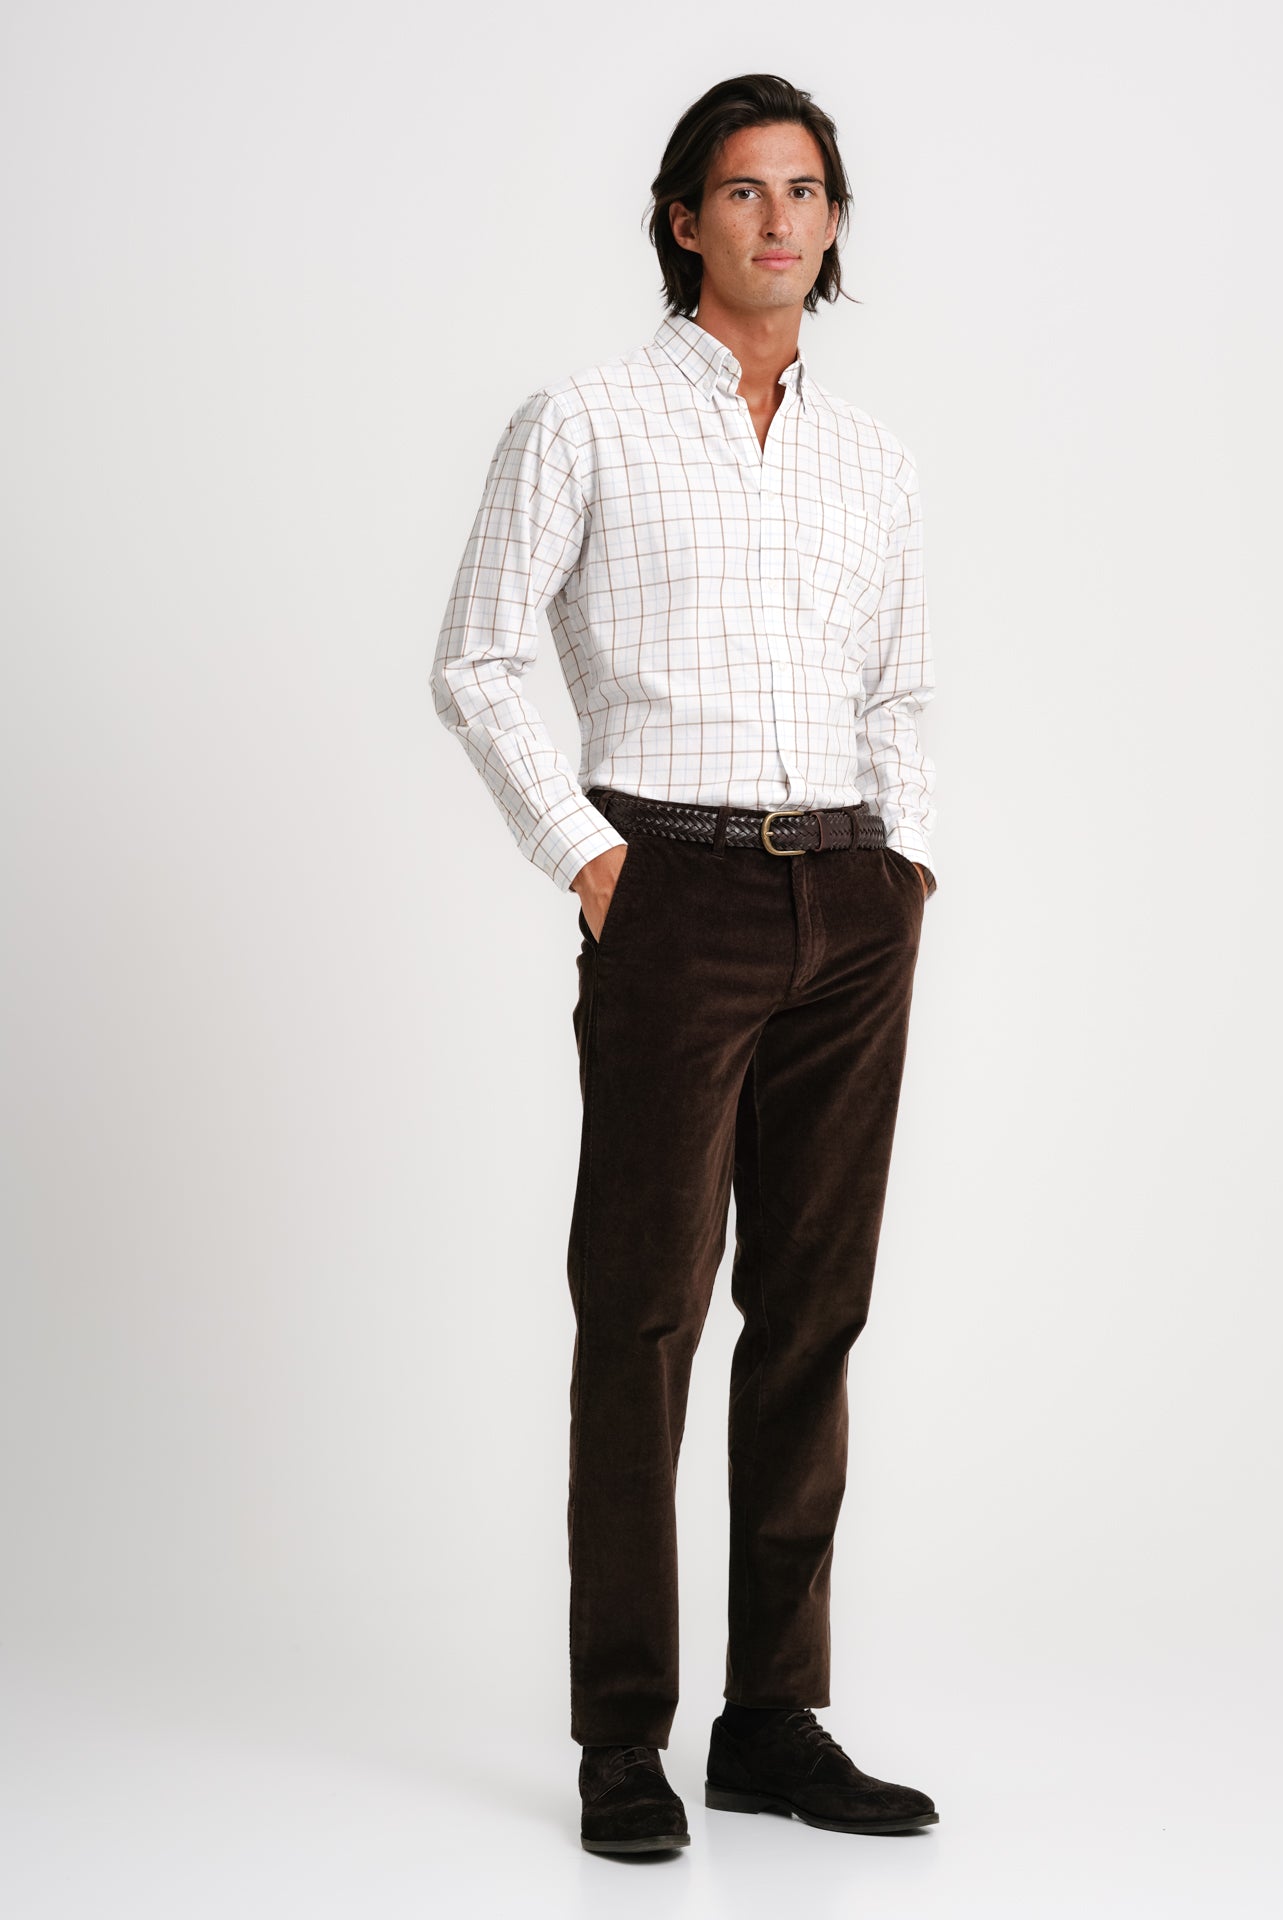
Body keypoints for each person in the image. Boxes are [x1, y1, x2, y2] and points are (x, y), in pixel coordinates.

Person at [429, 73, 941, 1853]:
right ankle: (622, 1739)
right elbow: (478, 655)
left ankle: (772, 1720)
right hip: (674, 892)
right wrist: (592, 863)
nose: (779, 220)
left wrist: (906, 867)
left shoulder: (874, 459)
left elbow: (904, 688)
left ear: (833, 220)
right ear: (682, 219)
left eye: (806, 190)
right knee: (643, 1313)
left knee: (813, 1313)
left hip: (848, 900)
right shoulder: (581, 420)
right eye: (743, 190)